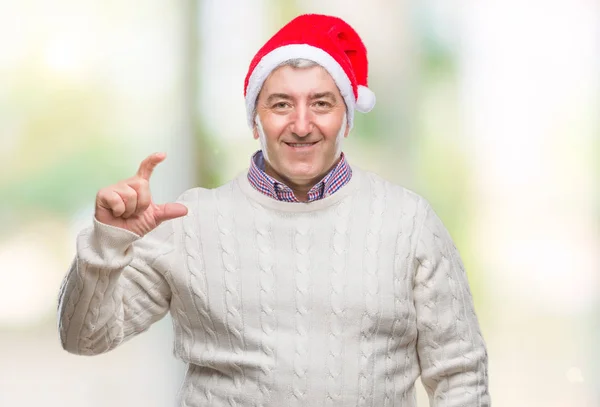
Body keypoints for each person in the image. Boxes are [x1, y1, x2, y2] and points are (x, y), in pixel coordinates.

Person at [58, 13, 491, 407]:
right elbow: (84, 338)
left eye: (321, 103)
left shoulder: (408, 221)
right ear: (254, 119)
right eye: (281, 104)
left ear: (346, 116)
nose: (301, 125)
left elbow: (461, 376)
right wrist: (106, 243)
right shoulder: (187, 222)